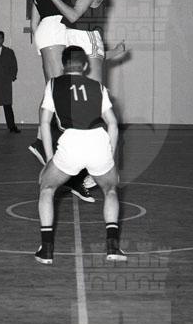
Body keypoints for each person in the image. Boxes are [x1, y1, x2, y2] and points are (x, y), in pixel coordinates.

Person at [18, 0, 99, 202]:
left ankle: (52, 148)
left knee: (61, 91)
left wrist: (36, 37)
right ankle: (44, 143)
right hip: (53, 30)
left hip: (51, 30)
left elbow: (35, 16)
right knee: (59, 92)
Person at [35, 46, 126, 264]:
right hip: (98, 140)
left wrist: (49, 159)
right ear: (85, 66)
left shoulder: (53, 84)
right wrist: (110, 158)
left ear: (63, 65)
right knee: (110, 189)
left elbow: (45, 123)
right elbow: (113, 124)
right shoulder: (98, 87)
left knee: (46, 187)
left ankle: (46, 250)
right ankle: (113, 248)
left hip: (72, 141)